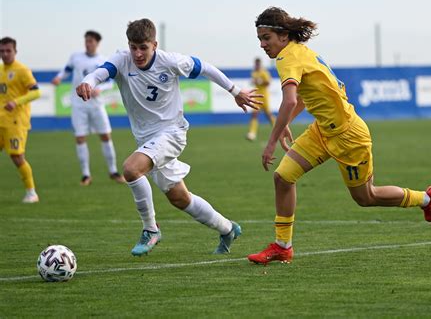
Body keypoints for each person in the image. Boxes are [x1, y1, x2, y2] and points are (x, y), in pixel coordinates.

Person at [247, 7, 431, 264]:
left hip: (349, 136)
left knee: (366, 197)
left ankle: (426, 198)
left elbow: (290, 100)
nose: (262, 44)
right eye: (259, 38)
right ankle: (283, 246)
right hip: (322, 132)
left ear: (283, 36)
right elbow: (305, 95)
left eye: (266, 37)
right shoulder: (300, 52)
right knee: (283, 177)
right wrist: (286, 124)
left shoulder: (288, 58)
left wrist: (270, 142)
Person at [76, 18, 262, 256]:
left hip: (172, 133)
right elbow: (100, 73)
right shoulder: (122, 60)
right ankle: (227, 228)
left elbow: (204, 67)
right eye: (134, 47)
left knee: (131, 169)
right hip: (147, 141)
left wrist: (235, 91)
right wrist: (87, 82)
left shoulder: (170, 61)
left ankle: (151, 230)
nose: (138, 53)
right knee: (180, 198)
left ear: (154, 44)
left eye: (143, 47)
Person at [52, 31, 125, 186]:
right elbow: (66, 70)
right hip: (79, 105)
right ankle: (86, 175)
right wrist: (59, 77)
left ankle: (113, 171)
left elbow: (109, 82)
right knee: (80, 138)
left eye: (91, 41)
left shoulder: (103, 60)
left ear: (97, 43)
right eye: (86, 40)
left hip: (97, 105)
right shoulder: (75, 57)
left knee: (105, 136)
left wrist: (101, 89)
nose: (88, 43)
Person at [0, 37, 41, 203]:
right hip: (1, 119)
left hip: (16, 122)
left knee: (17, 157)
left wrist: (16, 102)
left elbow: (36, 92)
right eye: (2, 51)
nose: (5, 54)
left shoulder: (22, 70)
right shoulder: (1, 70)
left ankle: (31, 193)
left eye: (8, 50)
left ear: (15, 52)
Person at [246, 57, 275, 141]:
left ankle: (279, 130)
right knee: (254, 114)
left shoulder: (264, 72)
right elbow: (255, 82)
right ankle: (252, 133)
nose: (256, 65)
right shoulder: (254, 73)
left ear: (260, 64)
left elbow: (268, 83)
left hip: (264, 96)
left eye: (258, 64)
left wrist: (260, 82)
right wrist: (255, 82)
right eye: (255, 64)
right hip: (257, 95)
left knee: (268, 115)